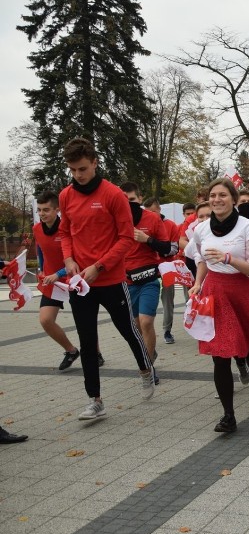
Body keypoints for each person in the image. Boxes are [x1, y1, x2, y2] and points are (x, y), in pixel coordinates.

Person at [57, 138, 156, 420]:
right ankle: (95, 400)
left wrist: (99, 266)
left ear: (95, 163)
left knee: (128, 330)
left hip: (110, 279)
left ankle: (146, 369)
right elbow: (65, 232)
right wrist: (68, 259)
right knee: (88, 342)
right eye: (73, 170)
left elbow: (126, 238)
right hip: (80, 283)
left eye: (83, 169)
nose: (78, 175)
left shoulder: (113, 195)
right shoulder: (66, 196)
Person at [187, 178, 249, 433]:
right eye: (213, 195)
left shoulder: (248, 227)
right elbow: (201, 259)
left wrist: (229, 258)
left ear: (233, 198)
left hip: (243, 290)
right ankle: (228, 415)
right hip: (215, 292)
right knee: (219, 355)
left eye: (222, 195)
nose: (217, 200)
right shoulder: (202, 229)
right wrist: (198, 283)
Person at [33, 190, 105, 371]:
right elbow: (41, 250)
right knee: (45, 320)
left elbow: (77, 258)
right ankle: (71, 351)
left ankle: (95, 353)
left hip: (73, 279)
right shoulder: (36, 229)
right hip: (52, 282)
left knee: (85, 321)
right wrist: (41, 269)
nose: (42, 214)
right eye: (39, 210)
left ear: (57, 209)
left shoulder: (68, 228)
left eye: (46, 210)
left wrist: (59, 273)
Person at [120, 183, 177, 378]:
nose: (129, 205)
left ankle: (149, 365)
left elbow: (167, 247)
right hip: (127, 281)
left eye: (132, 201)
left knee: (146, 322)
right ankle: (149, 352)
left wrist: (147, 239)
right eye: (124, 201)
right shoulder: (116, 220)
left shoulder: (152, 219)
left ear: (140, 198)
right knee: (136, 325)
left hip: (149, 279)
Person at [144, 197, 182, 345]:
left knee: (167, 301)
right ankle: (146, 331)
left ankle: (167, 330)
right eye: (147, 212)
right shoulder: (142, 225)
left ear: (159, 210)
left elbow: (173, 249)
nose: (150, 215)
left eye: (153, 212)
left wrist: (156, 248)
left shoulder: (170, 225)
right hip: (148, 269)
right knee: (146, 304)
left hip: (166, 268)